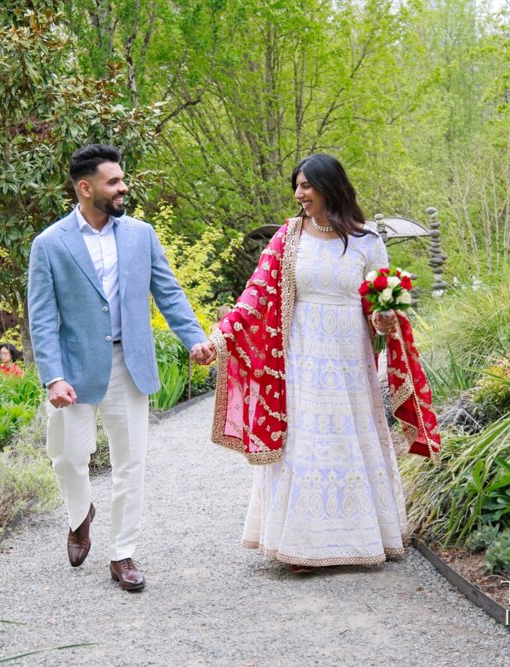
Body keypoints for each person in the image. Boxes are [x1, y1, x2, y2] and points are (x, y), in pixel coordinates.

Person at [210, 153, 413, 572]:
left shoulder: (368, 240)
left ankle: (358, 539)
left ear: (329, 186)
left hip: (350, 360)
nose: (299, 194)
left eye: (306, 186)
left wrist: (385, 316)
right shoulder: (288, 237)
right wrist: (220, 336)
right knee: (305, 440)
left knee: (348, 435)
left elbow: (378, 306)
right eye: (296, 186)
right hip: (300, 358)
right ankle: (301, 544)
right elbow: (256, 295)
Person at [27, 143, 215, 592]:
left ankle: (122, 554)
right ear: (85, 187)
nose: (123, 187)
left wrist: (195, 338)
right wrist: (52, 376)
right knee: (68, 457)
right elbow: (42, 316)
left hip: (130, 363)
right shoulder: (50, 244)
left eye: (122, 178)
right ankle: (80, 514)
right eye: (114, 181)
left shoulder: (140, 234)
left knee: (131, 463)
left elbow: (167, 291)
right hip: (72, 370)